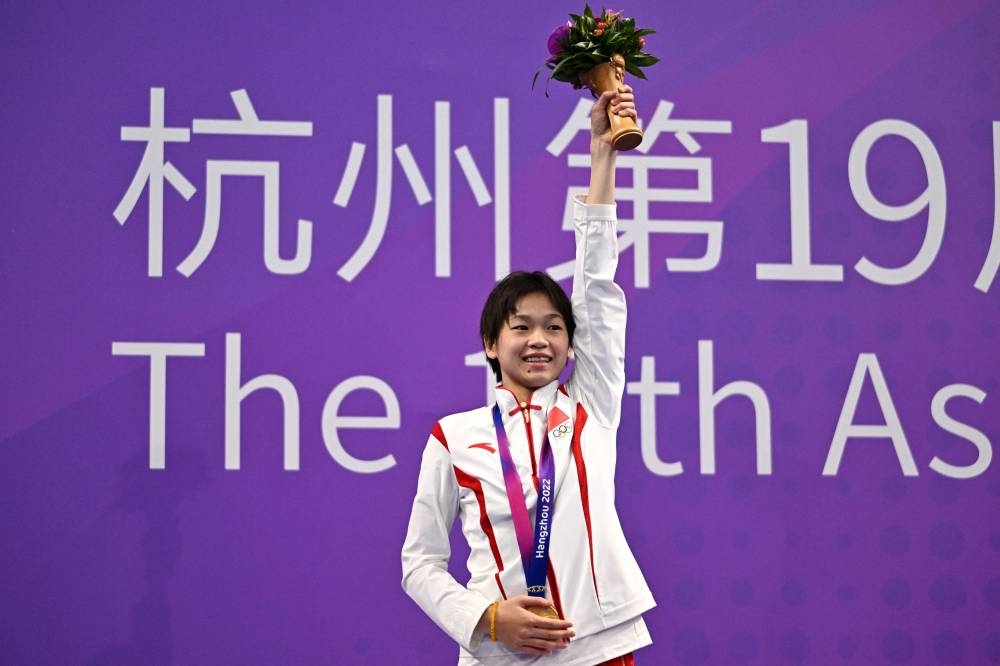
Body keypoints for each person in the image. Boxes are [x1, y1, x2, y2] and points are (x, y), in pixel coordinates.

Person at [402, 85, 655, 665]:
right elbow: (418, 562)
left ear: (571, 345)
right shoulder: (454, 437)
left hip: (598, 647)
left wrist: (602, 156)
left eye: (554, 328)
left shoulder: (591, 404)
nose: (539, 339)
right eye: (521, 327)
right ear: (491, 343)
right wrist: (487, 619)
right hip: (499, 656)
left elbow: (597, 290)